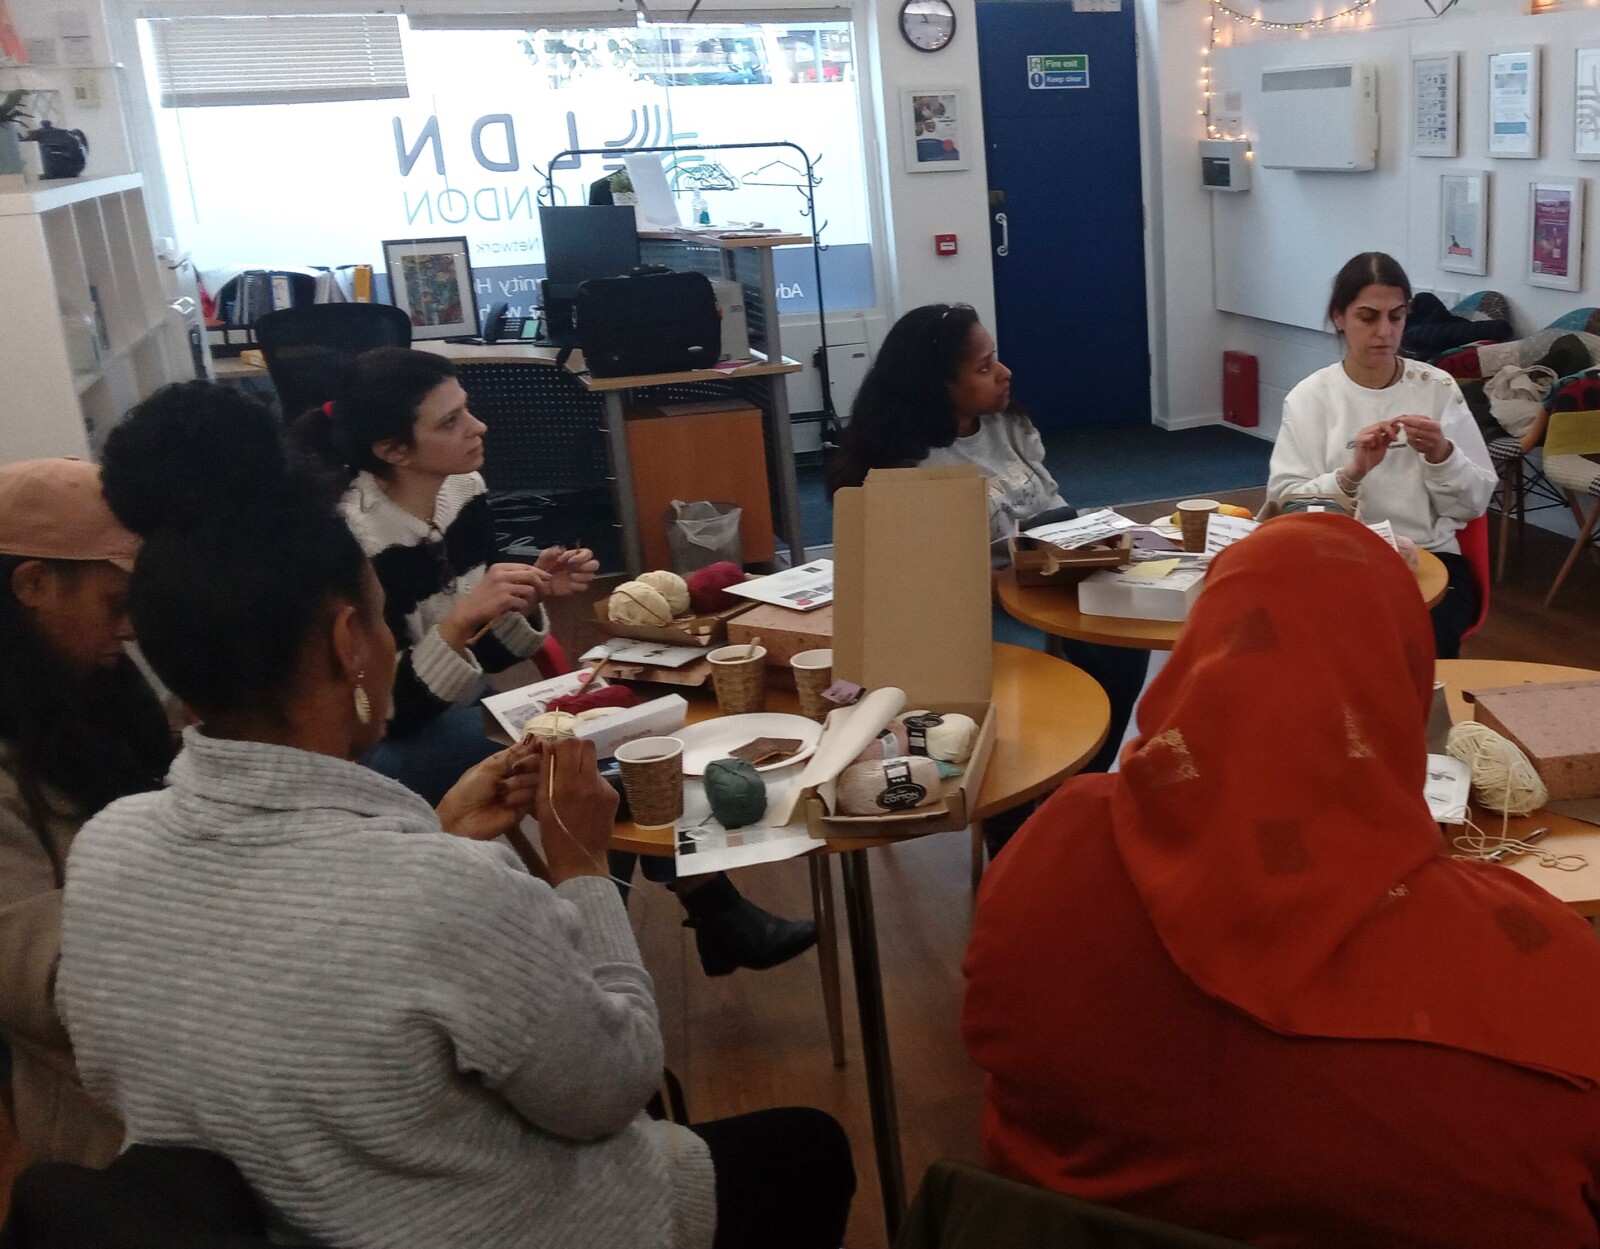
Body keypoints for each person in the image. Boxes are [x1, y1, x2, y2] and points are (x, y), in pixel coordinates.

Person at [58, 381, 855, 1249]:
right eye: (376, 617)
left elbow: (165, 1054)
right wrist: (581, 863)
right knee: (809, 1150)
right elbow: (611, 1084)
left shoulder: (108, 848)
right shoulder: (442, 893)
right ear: (346, 642)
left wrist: (437, 831)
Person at [963, 514, 1600, 1248]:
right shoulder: (1541, 968)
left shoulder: (1056, 845)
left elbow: (996, 1041)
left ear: (1201, 651)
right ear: (1398, 681)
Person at [294, 347, 816, 977]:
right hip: (381, 739)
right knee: (577, 758)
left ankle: (637, 928)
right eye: (451, 421)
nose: (477, 428)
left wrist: (528, 596)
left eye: (468, 411)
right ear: (392, 450)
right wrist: (463, 622)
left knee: (632, 721)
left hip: (461, 705)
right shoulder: (352, 537)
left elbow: (488, 653)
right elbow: (386, 710)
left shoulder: (463, 489)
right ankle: (636, 933)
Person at [830, 303, 1147, 799]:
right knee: (1051, 679)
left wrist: (1089, 540)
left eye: (994, 358)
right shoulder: (905, 464)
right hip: (974, 614)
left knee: (1123, 641)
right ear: (937, 387)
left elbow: (1052, 505)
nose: (1003, 373)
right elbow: (924, 584)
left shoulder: (1003, 425)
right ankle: (1022, 808)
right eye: (982, 367)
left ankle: (1074, 788)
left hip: (1040, 583)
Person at [0, 458, 175, 1168]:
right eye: (115, 602)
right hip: (106, 1119)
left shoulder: (91, 685)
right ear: (33, 584)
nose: (132, 629)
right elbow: (33, 979)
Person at [1268, 252, 1497, 658]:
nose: (1385, 332)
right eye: (1368, 317)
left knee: (1411, 637)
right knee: (1296, 637)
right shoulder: (1310, 397)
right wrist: (1352, 473)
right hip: (1333, 563)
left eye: (1396, 316)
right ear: (1338, 317)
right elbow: (1286, 508)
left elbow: (1474, 502)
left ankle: (1414, 721)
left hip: (1429, 559)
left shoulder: (1436, 387)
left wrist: (1443, 455)